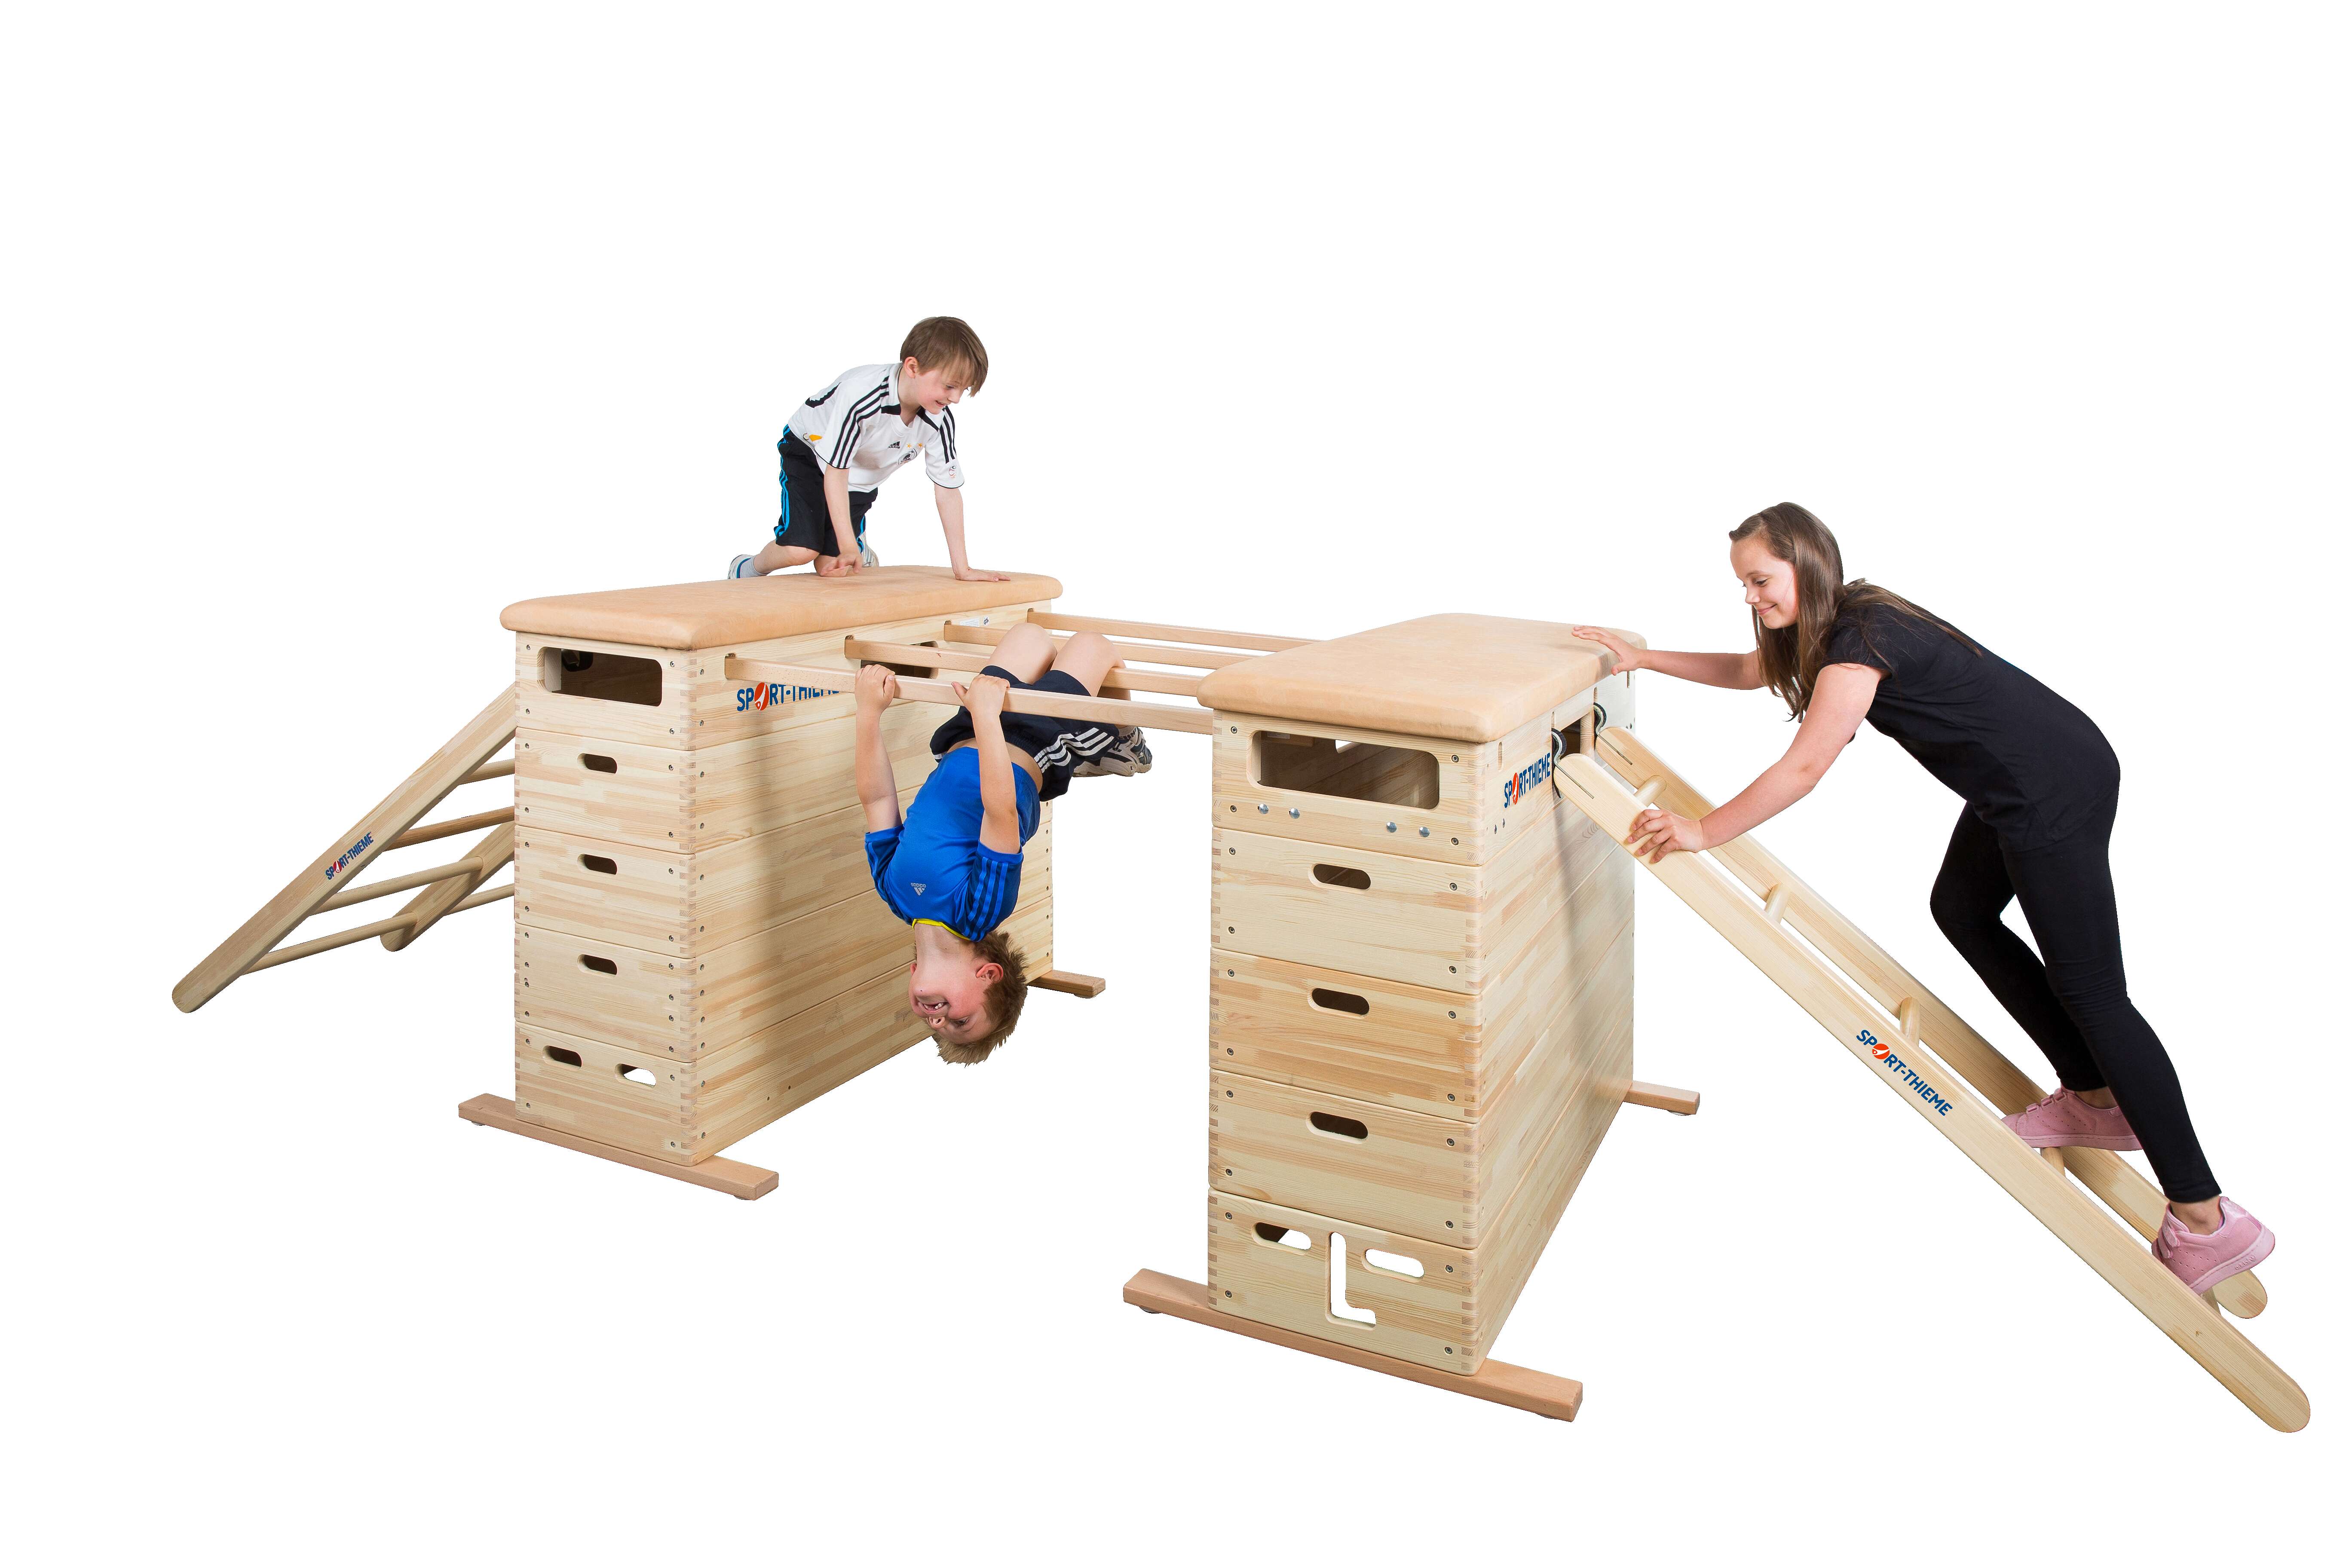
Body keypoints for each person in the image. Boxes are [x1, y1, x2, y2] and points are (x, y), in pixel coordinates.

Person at [1571, 502, 2273, 1296]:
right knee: (1961, 910)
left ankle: (2206, 1217)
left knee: (2096, 996)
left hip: (2048, 790)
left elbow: (1804, 768)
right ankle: (2094, 1097)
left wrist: (1703, 830)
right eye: (1743, 584)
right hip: (2026, 781)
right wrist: (1641, 657)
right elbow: (1748, 669)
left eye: (1761, 580)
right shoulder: (1839, 622)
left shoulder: (1859, 642)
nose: (1750, 597)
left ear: (1806, 563)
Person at [854, 623, 1151, 1063]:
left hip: (966, 736)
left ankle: (1097, 742)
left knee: (1029, 636)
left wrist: (868, 712)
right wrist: (988, 718)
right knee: (1092, 645)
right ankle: (1122, 742)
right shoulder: (980, 911)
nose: (938, 1022)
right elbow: (1001, 813)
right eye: (961, 1022)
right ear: (989, 975)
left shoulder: (895, 896)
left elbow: (878, 800)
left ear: (913, 973)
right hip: (1037, 743)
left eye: (935, 1030)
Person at [728, 316, 1007, 582]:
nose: (956, 399)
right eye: (950, 387)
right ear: (913, 367)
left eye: (963, 390)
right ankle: (746, 568)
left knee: (831, 567)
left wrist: (962, 569)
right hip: (811, 452)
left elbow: (947, 491)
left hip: (861, 475)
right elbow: (836, 472)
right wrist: (847, 545)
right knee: (801, 550)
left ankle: (859, 546)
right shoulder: (861, 397)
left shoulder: (939, 419)